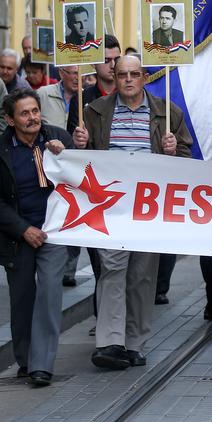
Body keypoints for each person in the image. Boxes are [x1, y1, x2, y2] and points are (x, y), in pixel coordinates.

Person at [72, 55, 192, 370]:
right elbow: (81, 162)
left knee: (141, 276)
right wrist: (80, 145)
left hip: (148, 207)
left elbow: (185, 157)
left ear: (144, 77)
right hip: (110, 204)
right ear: (115, 75)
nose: (127, 79)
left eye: (134, 74)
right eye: (122, 74)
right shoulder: (94, 112)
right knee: (112, 270)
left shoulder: (168, 114)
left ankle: (134, 343)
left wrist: (171, 150)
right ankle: (110, 342)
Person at [0, 90, 72, 387]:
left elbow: (82, 176)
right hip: (17, 236)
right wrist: (23, 229)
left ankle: (42, 365)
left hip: (54, 230)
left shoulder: (57, 138)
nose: (33, 117)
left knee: (48, 292)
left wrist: (67, 153)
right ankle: (26, 359)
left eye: (35, 111)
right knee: (22, 298)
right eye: (24, 113)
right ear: (10, 119)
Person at [63, 35, 121, 287]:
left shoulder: (131, 94)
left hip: (125, 184)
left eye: (116, 59)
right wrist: (79, 141)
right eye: (106, 60)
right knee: (100, 259)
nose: (112, 64)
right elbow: (70, 143)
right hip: (95, 187)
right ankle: (102, 320)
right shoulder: (82, 98)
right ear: (95, 64)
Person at [36, 65, 82, 133]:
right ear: (61, 73)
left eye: (81, 73)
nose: (78, 78)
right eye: (74, 73)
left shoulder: (87, 97)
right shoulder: (43, 94)